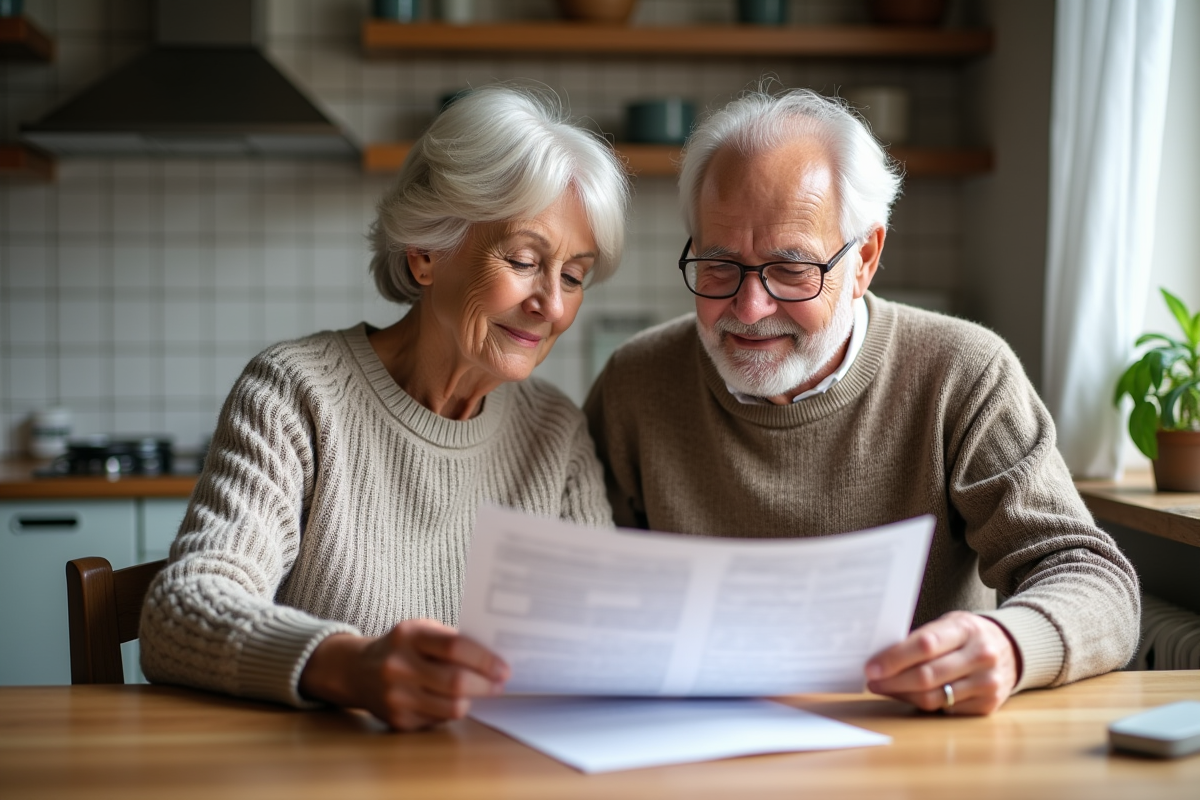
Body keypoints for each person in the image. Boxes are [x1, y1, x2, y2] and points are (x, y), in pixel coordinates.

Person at [584, 88, 1140, 716]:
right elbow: (585, 582)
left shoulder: (963, 374)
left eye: (791, 269)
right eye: (718, 265)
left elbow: (1093, 578)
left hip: (911, 738)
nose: (750, 308)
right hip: (692, 733)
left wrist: (1011, 645)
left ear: (865, 258)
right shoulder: (637, 381)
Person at [140, 85, 630, 731]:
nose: (553, 305)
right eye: (522, 260)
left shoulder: (555, 431)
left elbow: (605, 635)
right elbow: (179, 610)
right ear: (426, 254)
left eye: (572, 276)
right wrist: (351, 667)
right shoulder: (296, 395)